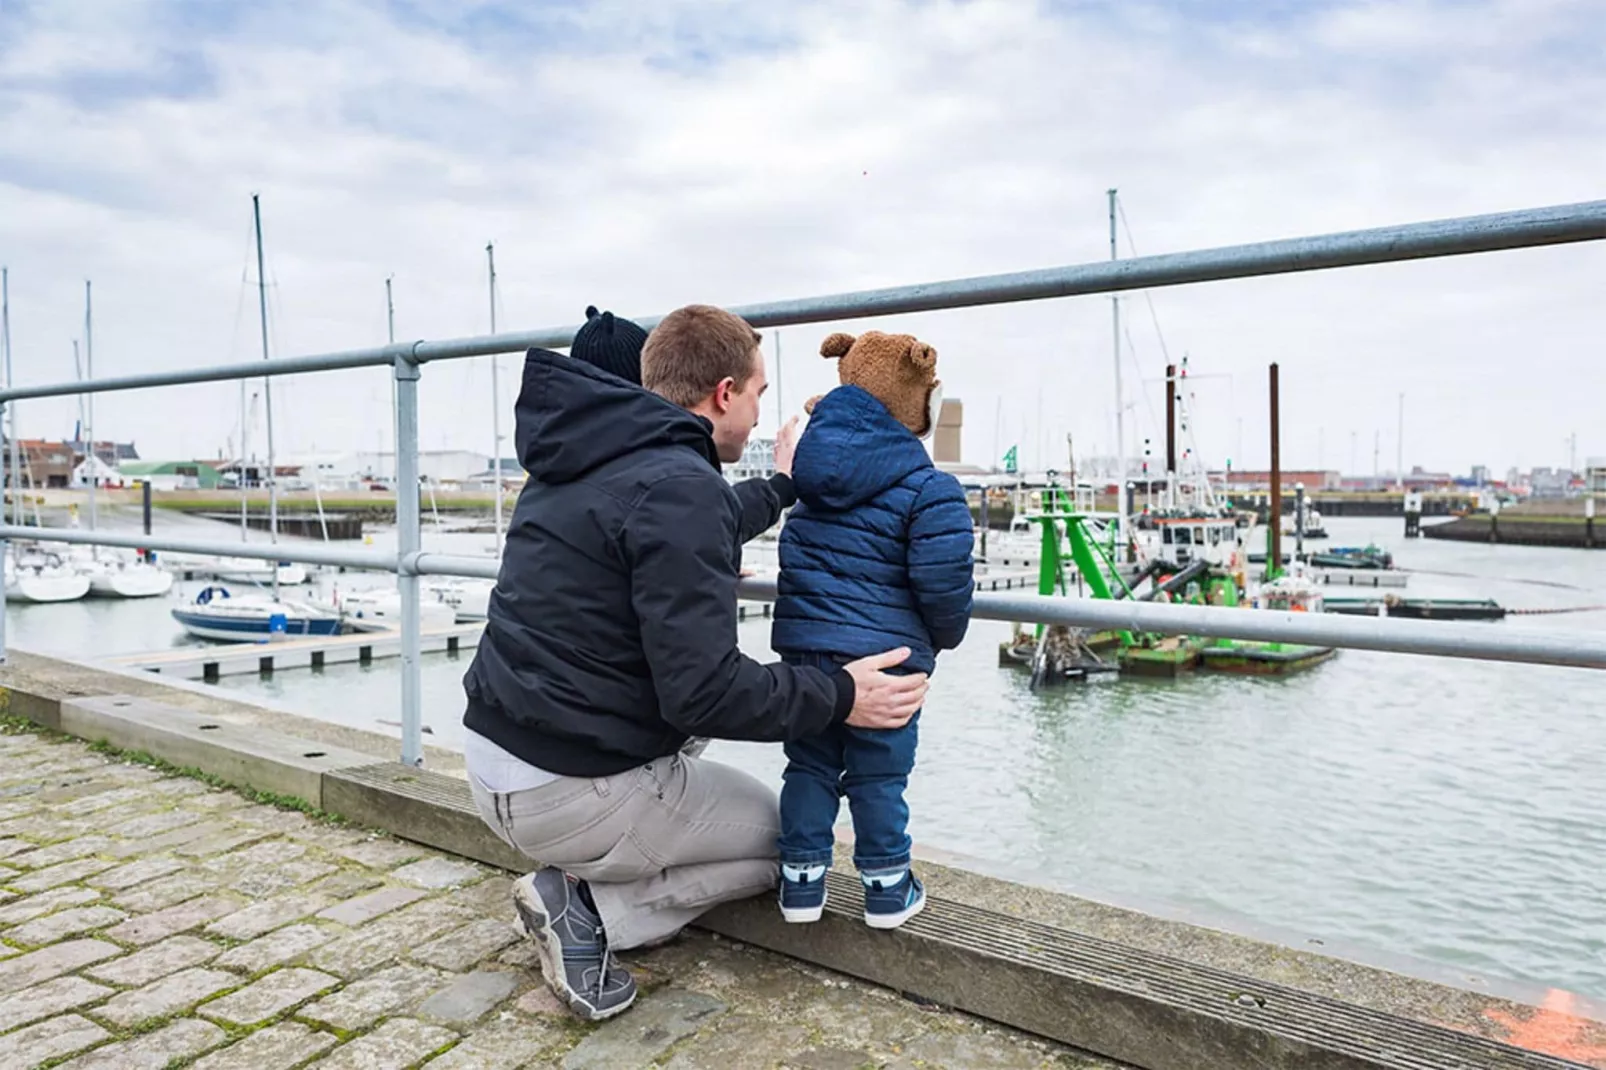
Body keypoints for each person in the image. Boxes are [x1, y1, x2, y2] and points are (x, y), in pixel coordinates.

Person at [460, 304, 929, 1022]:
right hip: (566, 791)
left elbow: (689, 517)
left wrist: (781, 488)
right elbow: (704, 694)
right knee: (792, 845)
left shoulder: (586, 455)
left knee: (701, 739)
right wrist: (839, 694)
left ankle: (596, 860)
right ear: (723, 393)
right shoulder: (681, 491)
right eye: (759, 394)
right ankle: (588, 909)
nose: (760, 410)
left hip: (496, 762)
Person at [770, 329, 974, 929]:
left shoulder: (806, 486)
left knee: (808, 766)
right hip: (889, 661)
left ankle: (801, 884)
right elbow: (943, 584)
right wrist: (942, 639)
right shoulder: (930, 488)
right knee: (879, 775)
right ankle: (887, 887)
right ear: (916, 401)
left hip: (809, 660)